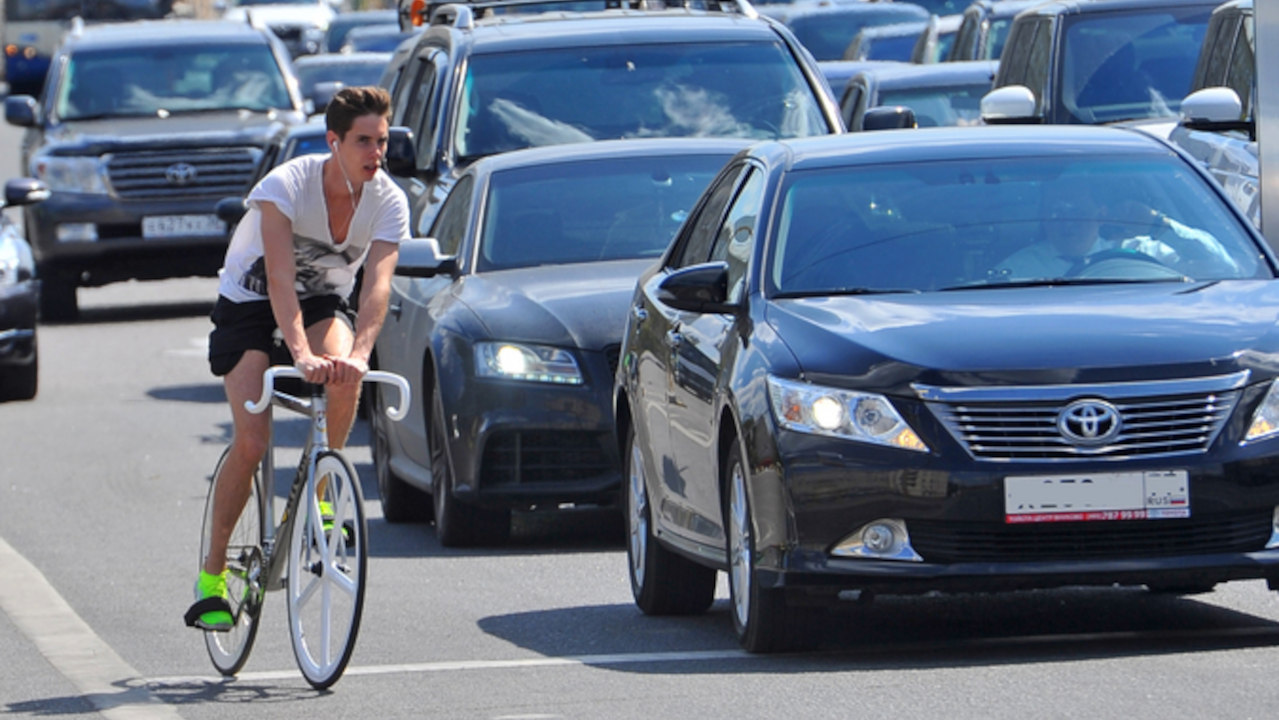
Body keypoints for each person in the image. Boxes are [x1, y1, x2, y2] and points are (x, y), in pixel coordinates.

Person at [184, 86, 410, 631]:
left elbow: (377, 287)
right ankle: (211, 580)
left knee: (344, 372)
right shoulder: (287, 186)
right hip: (250, 301)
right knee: (253, 440)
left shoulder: (389, 201)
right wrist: (300, 354)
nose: (374, 154)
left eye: (381, 141)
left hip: (320, 300)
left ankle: (325, 493)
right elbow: (280, 279)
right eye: (363, 141)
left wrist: (356, 354)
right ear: (334, 142)